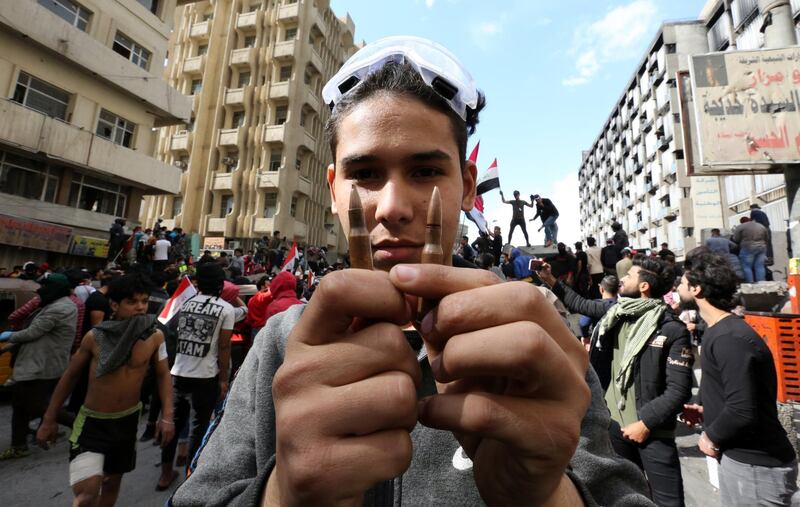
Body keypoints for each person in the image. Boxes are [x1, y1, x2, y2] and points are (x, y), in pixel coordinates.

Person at [169, 36, 651, 506]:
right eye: (365, 174)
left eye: (424, 172)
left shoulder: (531, 332)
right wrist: (283, 495)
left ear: (466, 187)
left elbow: (621, 491)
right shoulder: (281, 342)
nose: (392, 207)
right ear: (334, 189)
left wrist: (546, 493)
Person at [539, 254, 693, 506]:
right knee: (621, 497)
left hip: (651, 432)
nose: (623, 279)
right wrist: (550, 280)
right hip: (613, 428)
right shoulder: (616, 312)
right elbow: (579, 303)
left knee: (668, 502)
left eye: (630, 275)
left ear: (644, 286)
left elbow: (678, 389)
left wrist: (645, 424)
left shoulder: (671, 329)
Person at [35, 274, 174, 506]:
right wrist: (49, 419)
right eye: (132, 302)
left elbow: (163, 375)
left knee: (111, 484)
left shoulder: (155, 337)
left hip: (127, 423)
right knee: (87, 495)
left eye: (144, 300)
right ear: (114, 305)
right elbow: (69, 377)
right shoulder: (95, 338)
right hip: (92, 424)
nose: (140, 307)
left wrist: (167, 416)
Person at [679, 250, 797, 506]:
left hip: (755, 468)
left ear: (697, 289)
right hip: (743, 463)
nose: (678, 286)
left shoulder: (729, 338)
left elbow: (742, 410)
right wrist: (706, 409)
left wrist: (709, 436)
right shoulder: (717, 331)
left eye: (682, 282)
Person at [159, 261, 235, 490]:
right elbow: (223, 347)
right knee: (200, 427)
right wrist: (224, 379)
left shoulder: (182, 304)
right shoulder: (226, 309)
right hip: (207, 376)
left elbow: (168, 332)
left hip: (178, 372)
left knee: (173, 423)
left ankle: (165, 474)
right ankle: (191, 475)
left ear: (198, 282)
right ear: (221, 284)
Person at [0, 274, 77, 459]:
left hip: (43, 366)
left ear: (55, 288)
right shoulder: (52, 304)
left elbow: (33, 332)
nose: (40, 290)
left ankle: (81, 425)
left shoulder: (61, 307)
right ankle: (18, 446)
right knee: (19, 405)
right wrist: (7, 348)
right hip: (35, 362)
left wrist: (7, 336)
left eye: (44, 286)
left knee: (36, 406)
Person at [733, 217, 769, 283]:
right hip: (762, 247)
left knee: (746, 266)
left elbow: (736, 239)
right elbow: (767, 238)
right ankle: (761, 282)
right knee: (760, 266)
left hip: (748, 247)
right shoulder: (761, 226)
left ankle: (750, 282)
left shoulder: (740, 227)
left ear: (741, 222)